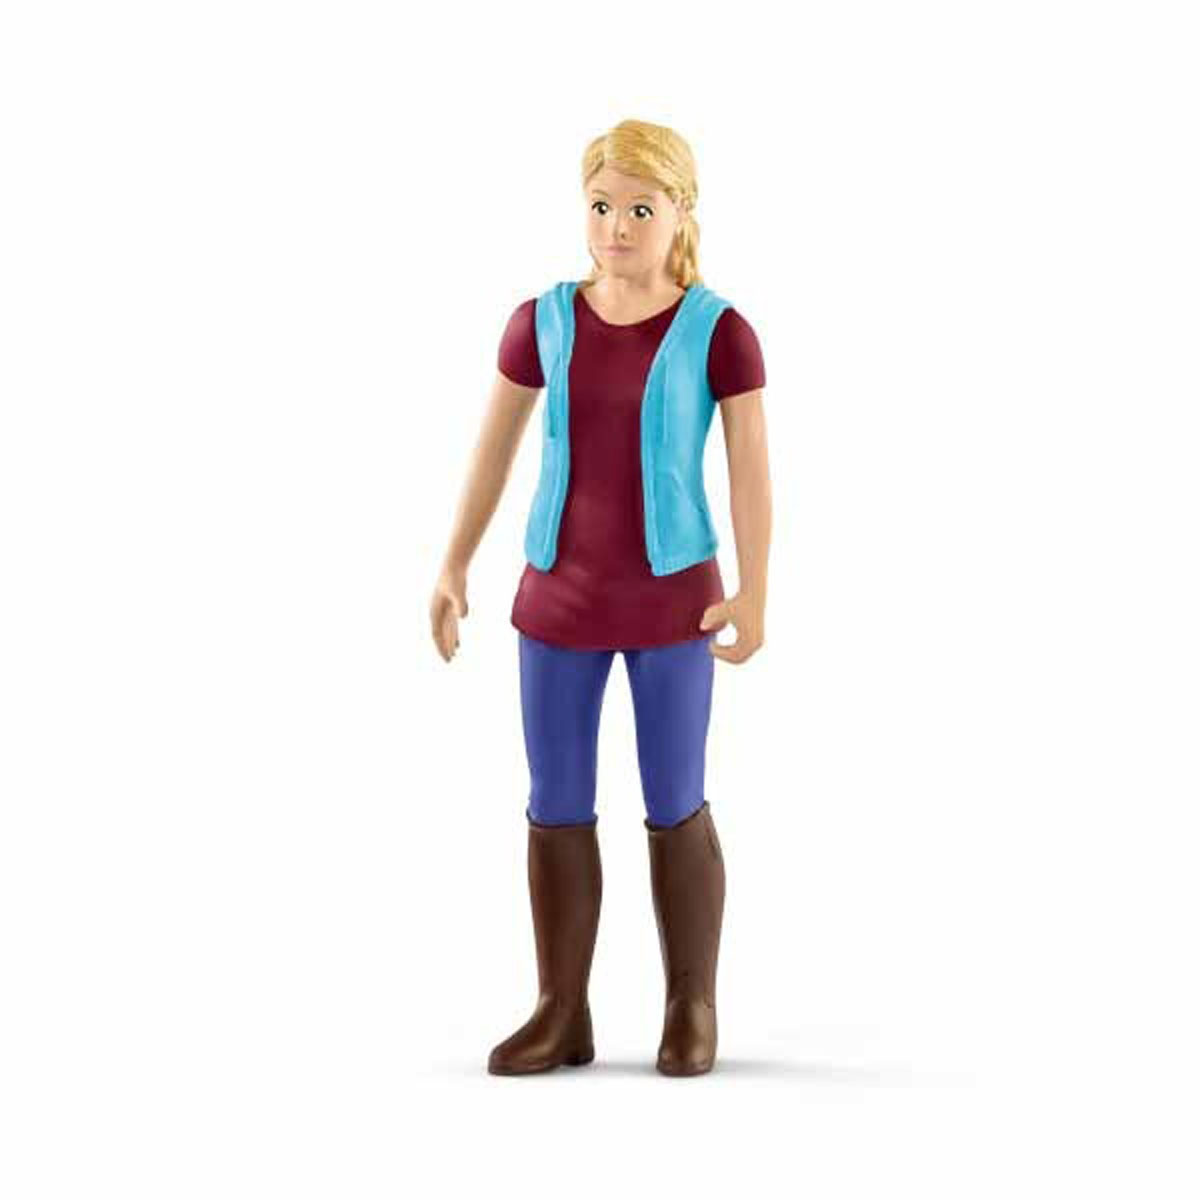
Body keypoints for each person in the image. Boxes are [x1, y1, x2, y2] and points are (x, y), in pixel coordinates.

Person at [429, 118, 772, 1076]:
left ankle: (691, 1006)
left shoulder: (719, 333)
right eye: (601, 206)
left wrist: (756, 589)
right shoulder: (541, 321)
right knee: (556, 802)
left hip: (674, 606)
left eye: (640, 209)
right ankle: (560, 1008)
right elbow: (494, 447)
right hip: (559, 603)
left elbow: (750, 467)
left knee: (675, 799)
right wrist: (454, 561)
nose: (617, 227)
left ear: (680, 213)